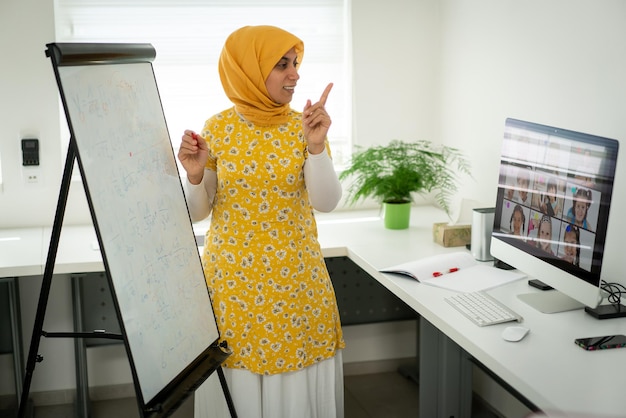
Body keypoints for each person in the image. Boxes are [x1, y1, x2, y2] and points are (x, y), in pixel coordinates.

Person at [177, 26, 345, 418]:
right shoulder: (217, 128)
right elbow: (198, 213)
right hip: (233, 287)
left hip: (295, 283)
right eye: (282, 65)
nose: (295, 74)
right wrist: (195, 176)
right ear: (247, 71)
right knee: (238, 382)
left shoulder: (303, 126)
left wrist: (316, 147)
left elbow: (327, 202)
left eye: (296, 64)